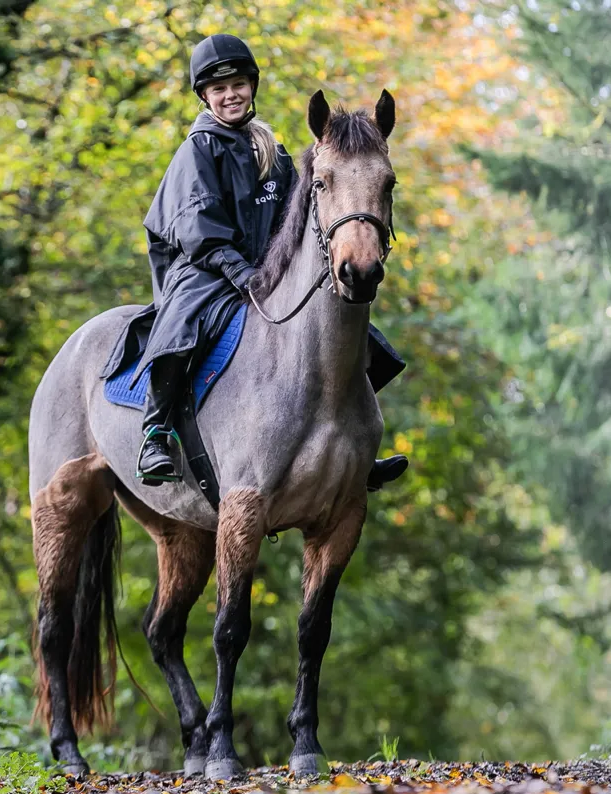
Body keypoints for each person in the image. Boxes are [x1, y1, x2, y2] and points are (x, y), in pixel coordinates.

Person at [135, 34, 408, 491]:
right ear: (205, 96)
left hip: (264, 270)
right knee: (180, 328)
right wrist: (241, 273)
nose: (230, 95)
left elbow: (298, 216)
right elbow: (199, 226)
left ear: (251, 87)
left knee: (358, 338)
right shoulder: (199, 150)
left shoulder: (272, 150)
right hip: (205, 268)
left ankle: (352, 448)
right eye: (218, 89)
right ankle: (155, 432)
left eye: (238, 84)